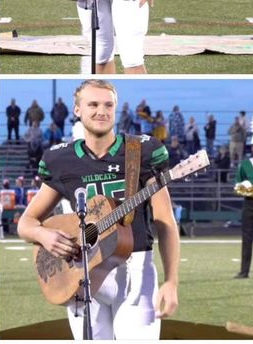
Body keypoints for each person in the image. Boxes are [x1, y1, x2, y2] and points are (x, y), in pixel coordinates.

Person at [17, 79, 179, 339]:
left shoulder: (141, 151)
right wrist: (44, 236)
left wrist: (171, 281)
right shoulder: (61, 159)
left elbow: (165, 220)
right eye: (92, 104)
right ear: (77, 109)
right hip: (81, 272)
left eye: (108, 105)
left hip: (134, 269)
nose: (101, 111)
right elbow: (26, 224)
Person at [233, 136, 253, 278]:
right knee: (247, 238)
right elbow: (237, 187)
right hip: (249, 204)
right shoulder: (245, 164)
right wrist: (250, 190)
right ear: (252, 147)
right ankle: (244, 272)